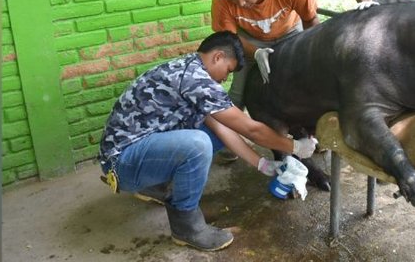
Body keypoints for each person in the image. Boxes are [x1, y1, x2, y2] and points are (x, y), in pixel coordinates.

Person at [97, 31, 318, 252]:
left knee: (211, 133)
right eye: (228, 70)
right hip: (121, 163)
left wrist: (262, 164)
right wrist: (295, 146)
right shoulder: (196, 81)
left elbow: (222, 128)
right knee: (198, 144)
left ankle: (152, 184)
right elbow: (252, 130)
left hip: (134, 151)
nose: (225, 78)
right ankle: (186, 226)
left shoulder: (190, 69)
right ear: (217, 56)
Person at [211, 0, 320, 111]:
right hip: (246, 39)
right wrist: (255, 52)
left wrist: (308, 55)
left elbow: (310, 20)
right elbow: (229, 39)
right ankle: (229, 132)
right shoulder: (222, 1)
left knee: (304, 85)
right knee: (237, 94)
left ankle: (305, 130)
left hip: (290, 34)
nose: (240, 3)